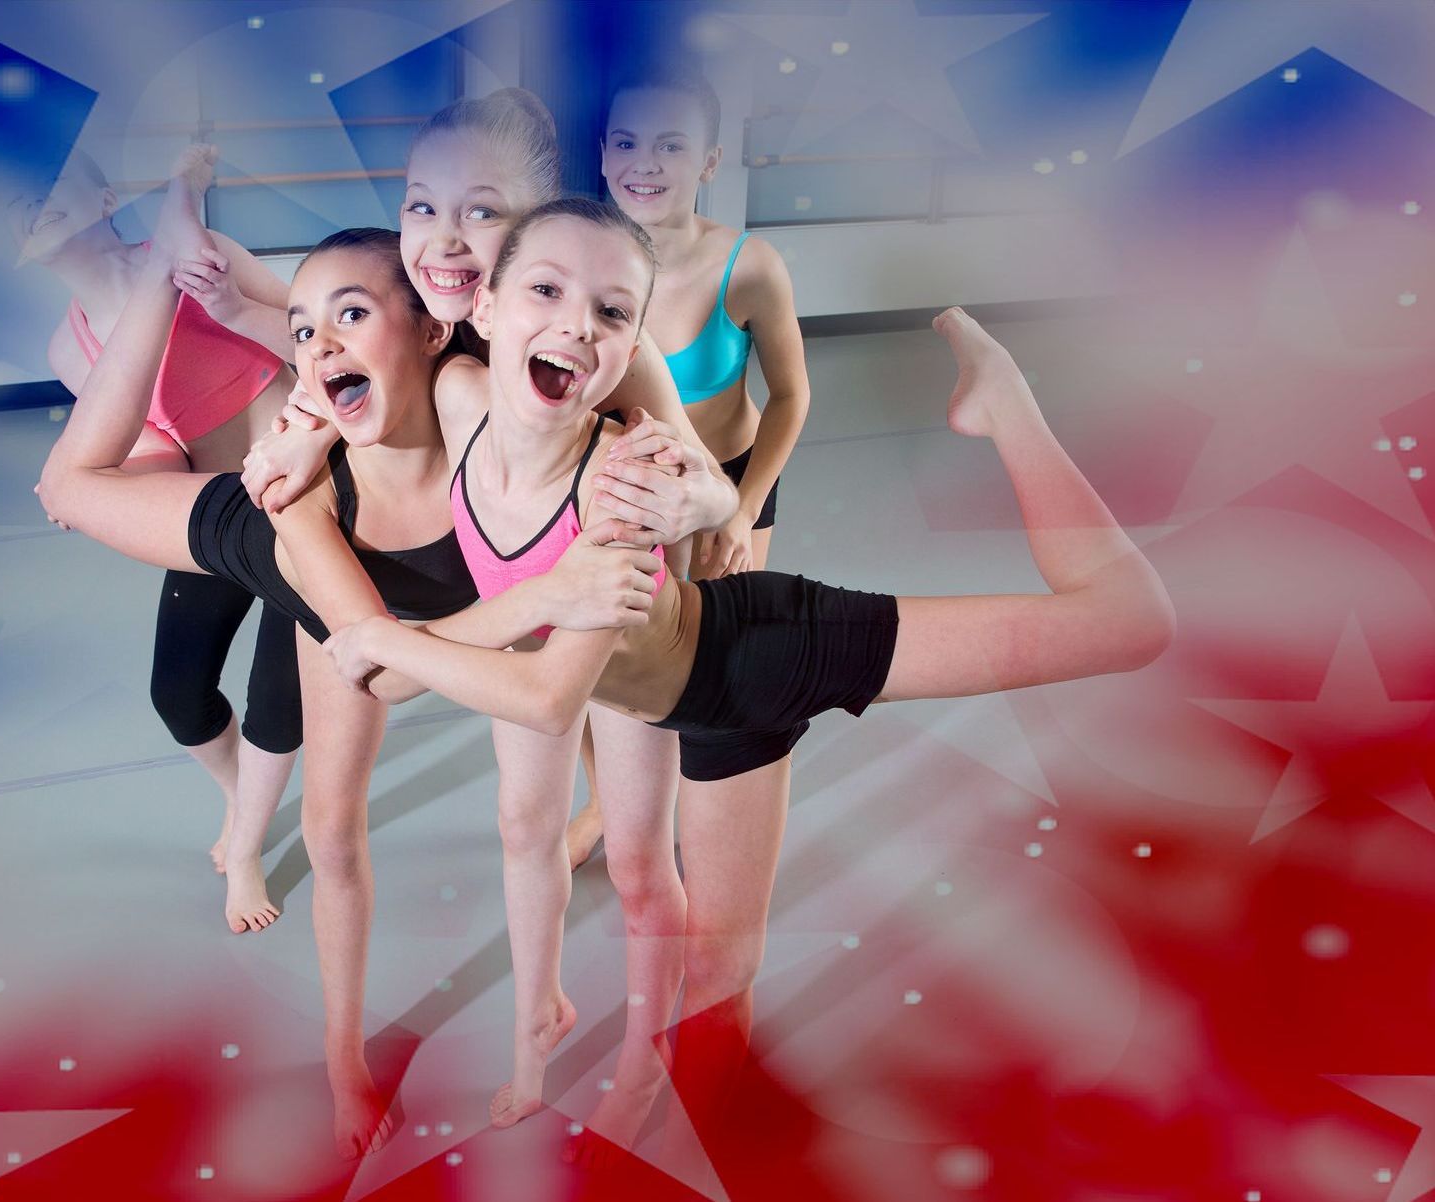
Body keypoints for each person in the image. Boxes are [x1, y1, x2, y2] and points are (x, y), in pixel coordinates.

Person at [319, 198, 1176, 1150]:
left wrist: (395, 643)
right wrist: (299, 435)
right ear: (483, 311)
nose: (573, 323)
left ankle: (1005, 403)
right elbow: (350, 351)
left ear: (631, 348)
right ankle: (677, 1110)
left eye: (611, 312)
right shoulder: (462, 399)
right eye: (547, 291)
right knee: (709, 951)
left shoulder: (620, 488)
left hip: (758, 661)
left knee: (1127, 626)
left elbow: (547, 695)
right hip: (676, 688)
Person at [36, 161, 703, 1157]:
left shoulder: (489, 391)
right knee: (330, 822)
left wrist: (687, 519)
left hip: (474, 592)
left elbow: (616, 344)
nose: (315, 348)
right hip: (341, 584)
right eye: (302, 331)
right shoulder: (298, 496)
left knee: (584, 828)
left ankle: (634, 1036)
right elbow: (380, 669)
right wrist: (157, 280)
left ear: (439, 329)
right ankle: (345, 1058)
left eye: (346, 317)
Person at [245, 90, 742, 1143]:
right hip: (479, 587)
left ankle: (655, 1048)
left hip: (600, 605)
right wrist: (301, 431)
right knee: (510, 821)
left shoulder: (592, 332)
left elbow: (705, 491)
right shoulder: (413, 289)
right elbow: (327, 334)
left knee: (641, 854)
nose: (443, 239)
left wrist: (709, 506)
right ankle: (508, 1028)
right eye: (423, 207)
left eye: (481, 214)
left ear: (538, 224)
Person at [12, 145, 300, 921]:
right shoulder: (65, 348)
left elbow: (321, 345)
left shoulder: (208, 258)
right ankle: (245, 800)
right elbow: (153, 452)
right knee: (177, 694)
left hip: (308, 506)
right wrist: (90, 489)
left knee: (280, 701)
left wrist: (233, 306)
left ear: (106, 194)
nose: (38, 201)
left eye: (53, 185)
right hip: (217, 522)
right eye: (22, 203)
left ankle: (245, 852)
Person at [559, 61, 815, 864]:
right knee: (605, 668)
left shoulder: (750, 266)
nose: (646, 162)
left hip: (726, 487)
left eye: (672, 145)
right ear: (601, 153)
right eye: (628, 141)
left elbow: (791, 397)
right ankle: (609, 805)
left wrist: (740, 509)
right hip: (618, 494)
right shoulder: (572, 257)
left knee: (710, 664)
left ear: (709, 162)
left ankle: (715, 820)